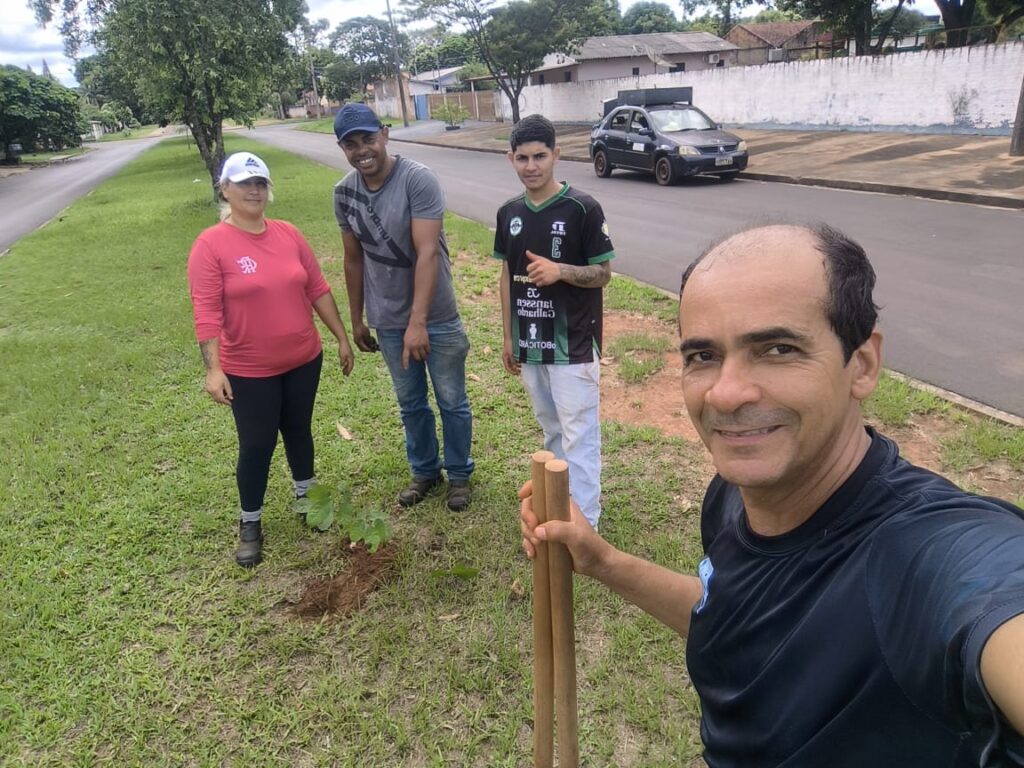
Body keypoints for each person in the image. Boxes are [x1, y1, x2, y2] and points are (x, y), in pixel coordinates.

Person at [520, 223, 1024, 766]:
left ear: (863, 364)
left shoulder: (933, 556)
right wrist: (603, 561)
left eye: (778, 349)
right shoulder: (732, 497)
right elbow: (732, 617)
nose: (727, 393)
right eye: (703, 356)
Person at [188, 151, 354, 568]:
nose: (254, 190)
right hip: (249, 369)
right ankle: (250, 522)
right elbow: (206, 309)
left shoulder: (288, 234)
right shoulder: (210, 245)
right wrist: (213, 368)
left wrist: (341, 338)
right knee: (258, 444)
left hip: (303, 357)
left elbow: (316, 287)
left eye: (260, 182)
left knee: (298, 429)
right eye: (244, 183)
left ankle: (306, 497)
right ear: (224, 189)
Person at [332, 103, 475, 511]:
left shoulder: (417, 180)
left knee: (451, 399)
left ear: (385, 134)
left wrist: (419, 322)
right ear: (342, 147)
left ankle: (460, 474)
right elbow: (353, 258)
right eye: (351, 143)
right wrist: (358, 318)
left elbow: (426, 251)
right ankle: (425, 471)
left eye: (368, 139)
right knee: (410, 401)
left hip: (436, 315)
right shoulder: (343, 193)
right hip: (388, 318)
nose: (362, 150)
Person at [494, 114, 614, 529]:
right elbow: (507, 276)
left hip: (575, 343)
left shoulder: (583, 208)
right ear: (511, 159)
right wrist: (509, 337)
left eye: (540, 156)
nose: (531, 166)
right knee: (551, 430)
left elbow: (603, 273)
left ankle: (587, 525)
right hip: (530, 344)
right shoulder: (508, 212)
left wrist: (561, 271)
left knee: (579, 434)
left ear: (556, 155)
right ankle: (560, 509)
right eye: (523, 157)